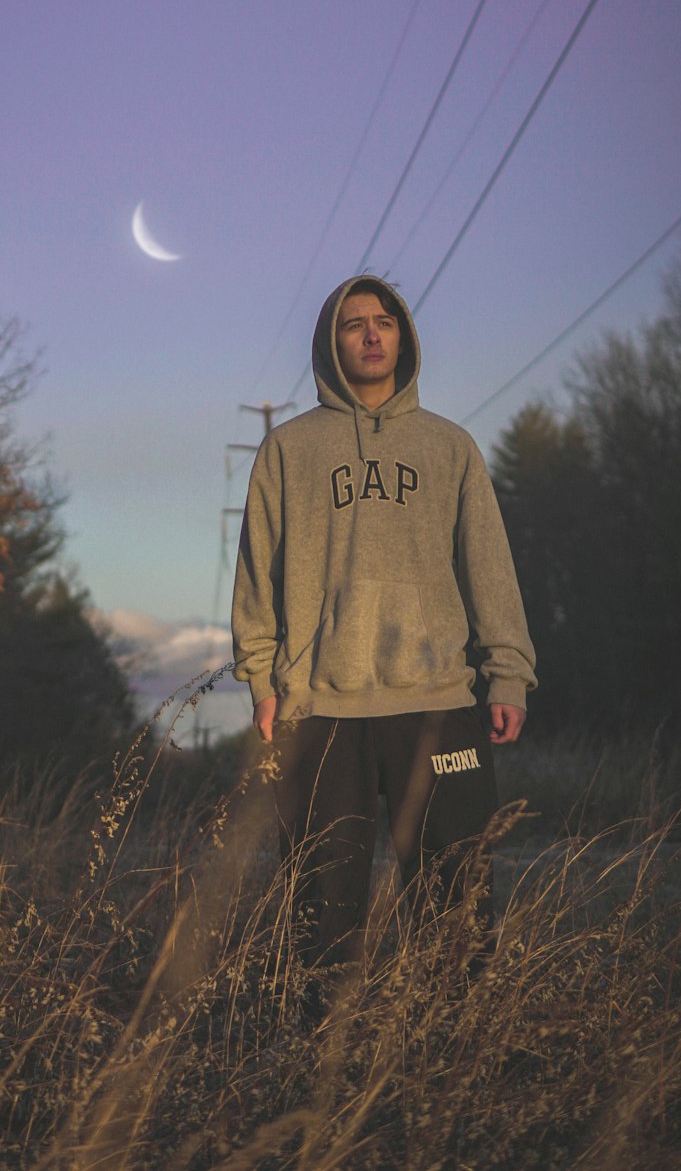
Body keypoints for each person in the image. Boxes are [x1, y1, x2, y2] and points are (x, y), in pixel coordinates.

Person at [232, 275, 535, 967]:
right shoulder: (289, 450)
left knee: (455, 903)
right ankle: (324, 1057)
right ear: (330, 342)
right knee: (322, 912)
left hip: (437, 700)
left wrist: (508, 675)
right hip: (321, 707)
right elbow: (257, 572)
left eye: (384, 321)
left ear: (404, 337)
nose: (371, 334)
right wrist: (263, 678)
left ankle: (445, 1055)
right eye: (353, 323)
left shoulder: (450, 447)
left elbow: (490, 565)